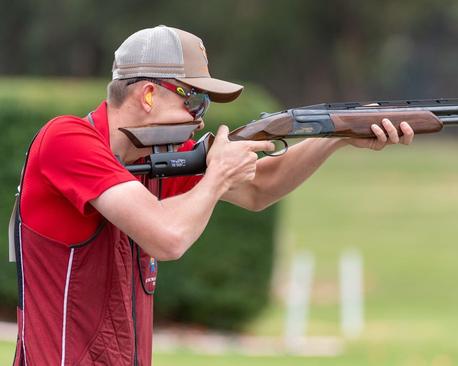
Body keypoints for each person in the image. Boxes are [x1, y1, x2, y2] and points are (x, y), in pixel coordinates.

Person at [10, 25, 414, 365]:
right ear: (148, 95)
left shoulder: (153, 156)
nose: (200, 117)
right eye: (195, 100)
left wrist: (339, 136)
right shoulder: (67, 139)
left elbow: (259, 189)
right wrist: (216, 175)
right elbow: (167, 236)